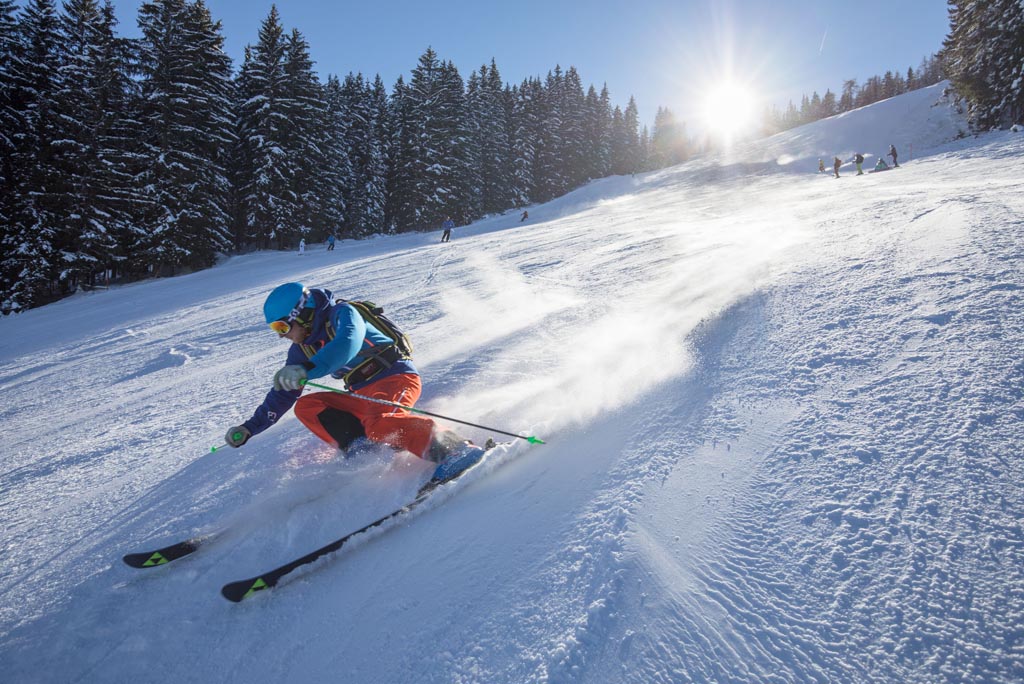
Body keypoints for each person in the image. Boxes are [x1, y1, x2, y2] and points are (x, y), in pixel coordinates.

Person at [224, 283, 484, 482]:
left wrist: (307, 368)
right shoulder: (302, 348)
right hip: (362, 394)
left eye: (282, 327)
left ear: (302, 314)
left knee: (381, 423)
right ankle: (364, 448)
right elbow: (282, 394)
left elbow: (346, 344)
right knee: (307, 406)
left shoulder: (343, 314)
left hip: (394, 377)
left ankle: (454, 450)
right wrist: (250, 428)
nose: (281, 336)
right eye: (275, 330)